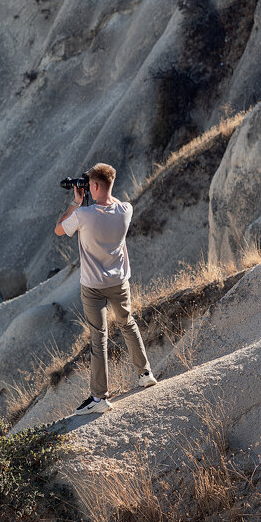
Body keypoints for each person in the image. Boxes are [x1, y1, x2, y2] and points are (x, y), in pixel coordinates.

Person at [55, 162, 157, 414]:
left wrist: (76, 202)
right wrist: (101, 189)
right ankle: (145, 373)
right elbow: (112, 201)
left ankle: (99, 398)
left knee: (98, 337)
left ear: (95, 186)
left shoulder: (83, 214)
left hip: (93, 286)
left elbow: (59, 229)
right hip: (119, 282)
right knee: (127, 322)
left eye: (89, 185)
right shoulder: (126, 210)